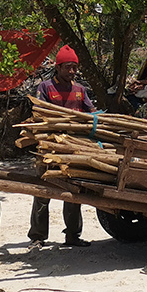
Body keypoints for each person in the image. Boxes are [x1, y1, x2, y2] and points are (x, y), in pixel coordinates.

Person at [29, 45, 95, 248]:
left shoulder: (80, 90)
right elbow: (38, 112)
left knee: (74, 192)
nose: (72, 71)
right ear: (58, 67)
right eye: (68, 67)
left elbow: (91, 111)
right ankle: (38, 237)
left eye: (74, 67)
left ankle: (73, 235)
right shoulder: (46, 88)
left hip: (74, 148)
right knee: (43, 191)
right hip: (49, 147)